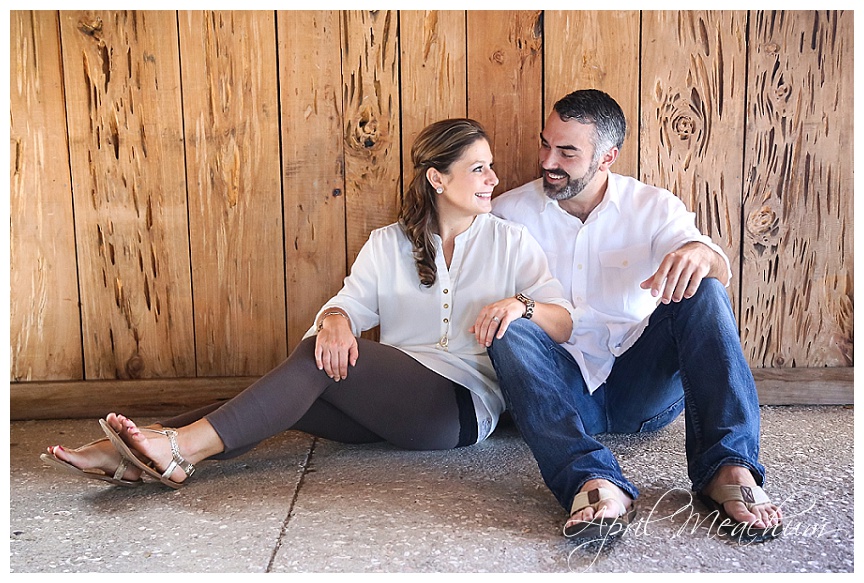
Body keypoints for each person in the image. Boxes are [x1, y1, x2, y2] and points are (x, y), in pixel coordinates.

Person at [41, 118, 574, 490]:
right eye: (479, 168)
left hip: (457, 411)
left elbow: (563, 321)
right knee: (290, 394)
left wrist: (520, 306)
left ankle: (176, 449)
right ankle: (137, 452)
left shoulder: (511, 242)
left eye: (491, 167)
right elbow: (350, 303)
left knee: (311, 359)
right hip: (391, 406)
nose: (494, 180)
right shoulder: (389, 242)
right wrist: (338, 319)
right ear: (438, 178)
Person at [489, 89, 783, 543]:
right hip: (563, 391)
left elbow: (719, 268)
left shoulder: (652, 206)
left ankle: (728, 468)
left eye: (567, 152)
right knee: (510, 328)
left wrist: (697, 253)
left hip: (642, 388)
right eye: (545, 144)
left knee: (704, 288)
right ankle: (595, 481)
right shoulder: (509, 213)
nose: (548, 160)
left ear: (608, 157)